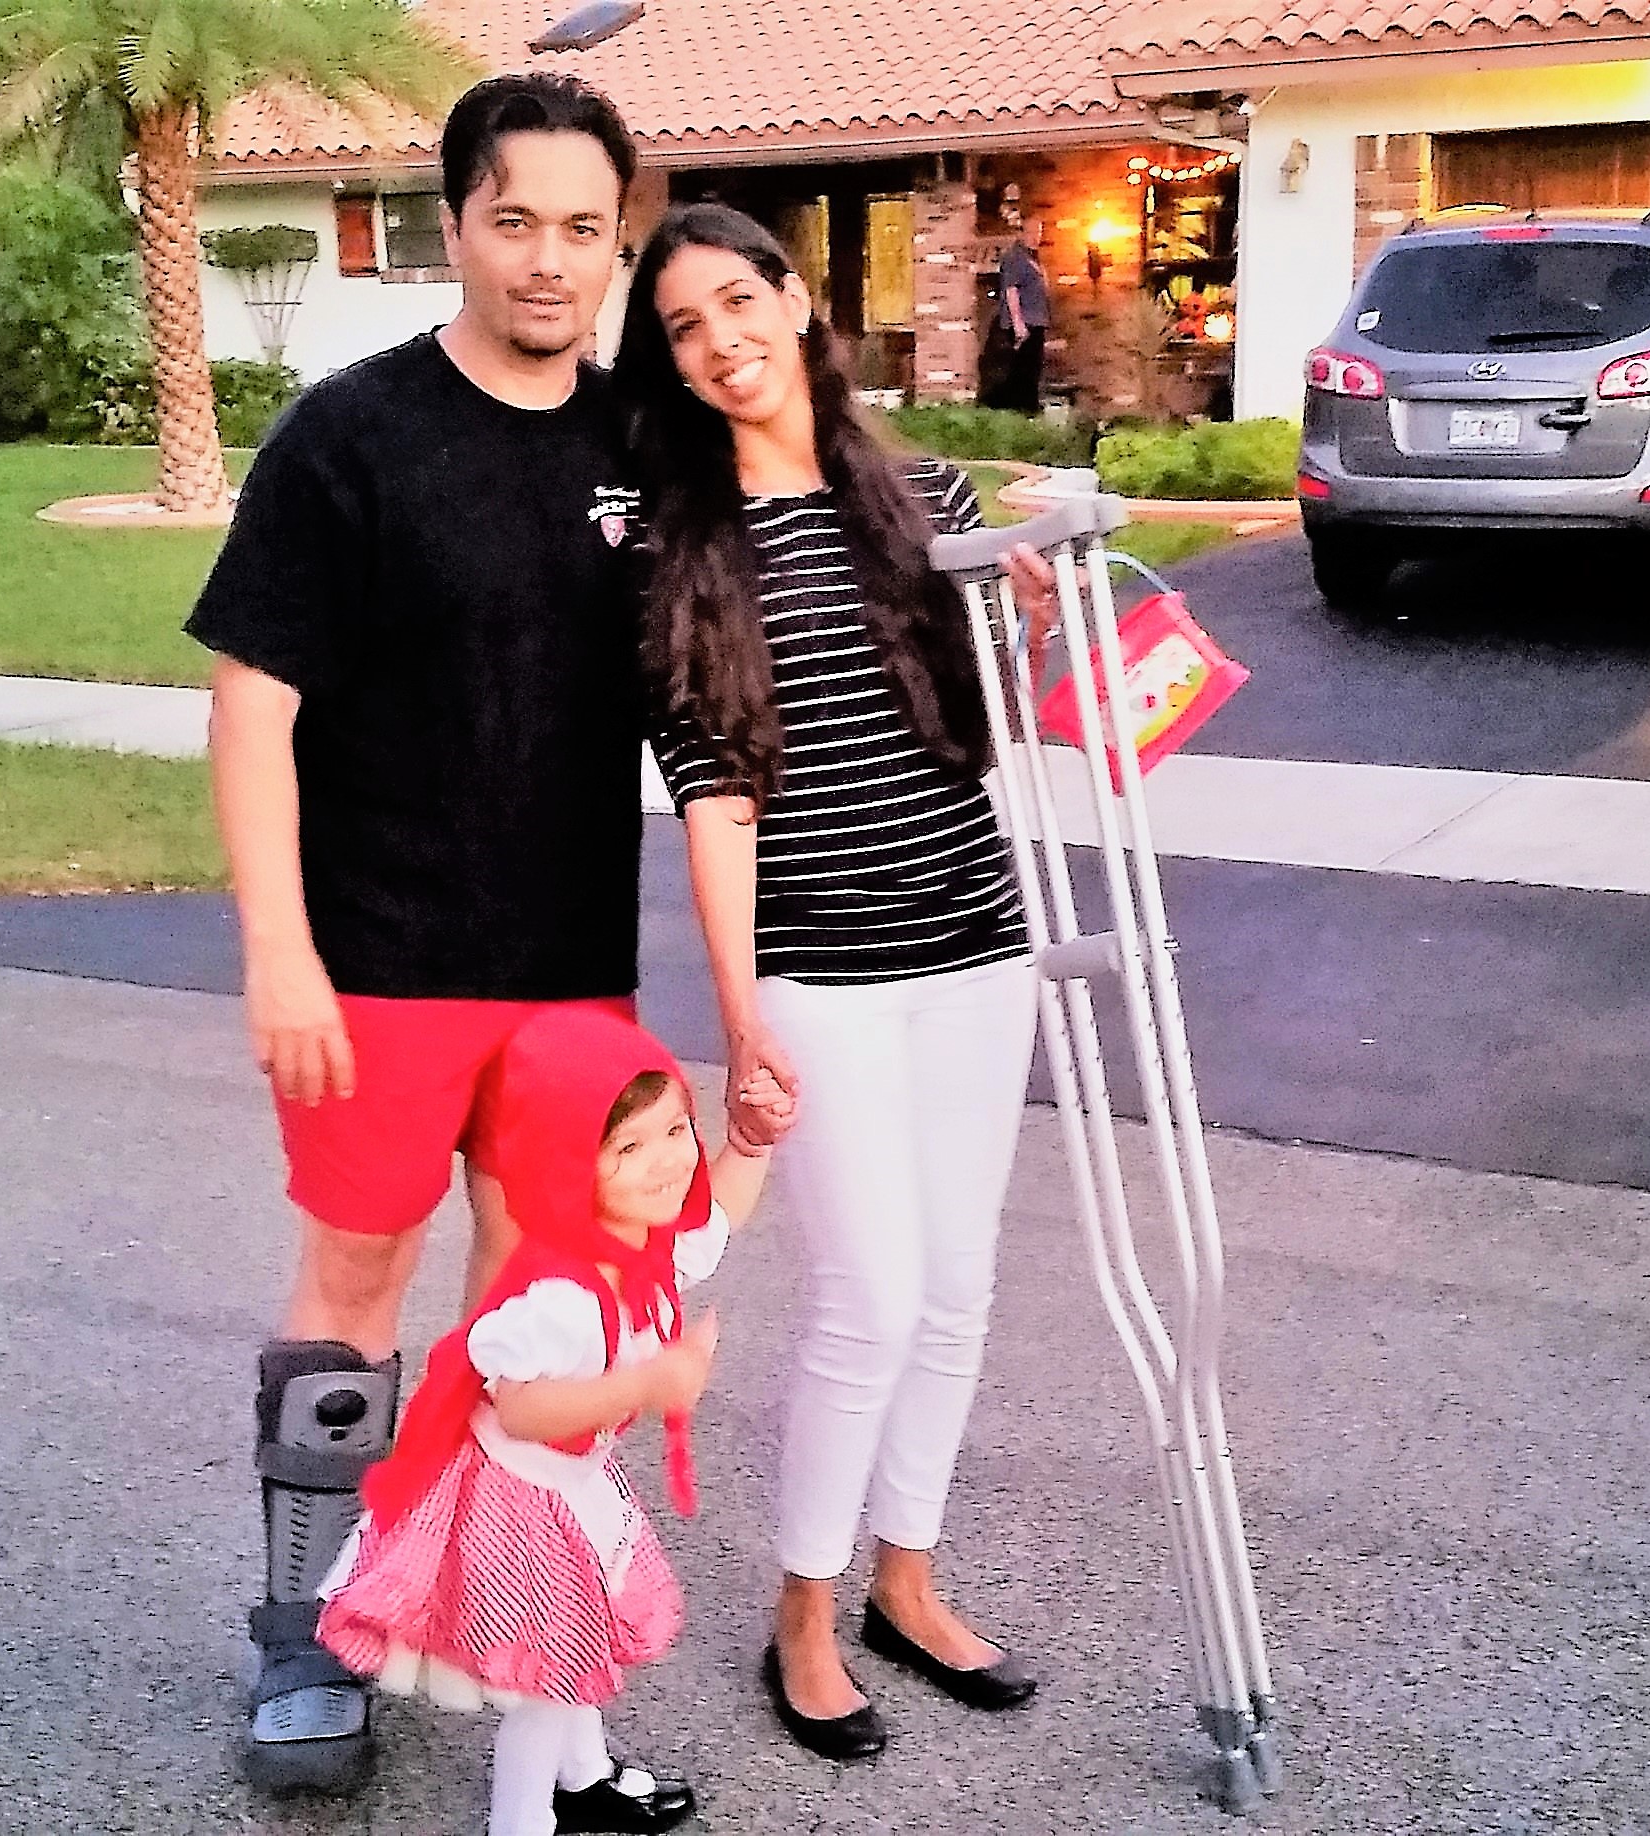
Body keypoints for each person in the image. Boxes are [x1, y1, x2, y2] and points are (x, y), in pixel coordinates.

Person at [181, 72, 648, 1794]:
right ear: (453, 227)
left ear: (617, 246)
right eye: (514, 220)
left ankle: (485, 1599)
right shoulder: (349, 436)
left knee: (537, 1304)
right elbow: (251, 705)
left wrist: (974, 566)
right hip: (376, 962)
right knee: (355, 1288)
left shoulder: (641, 446)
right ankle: (306, 1631)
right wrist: (278, 953)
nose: (548, 259)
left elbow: (799, 540)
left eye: (582, 228)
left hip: (572, 978)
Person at [615, 202, 1054, 1763]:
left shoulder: (927, 499)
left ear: (797, 302)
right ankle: (802, 1614)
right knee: (867, 1299)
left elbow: (979, 731)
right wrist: (742, 1027)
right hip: (820, 969)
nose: (721, 340)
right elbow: (713, 801)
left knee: (957, 1288)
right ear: (671, 363)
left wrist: (1029, 625)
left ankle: (905, 1585)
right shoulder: (677, 551)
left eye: (739, 302)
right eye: (685, 327)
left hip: (977, 940)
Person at [317, 1009, 782, 1836]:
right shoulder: (561, 1297)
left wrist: (749, 1144)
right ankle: (522, 1820)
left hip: (568, 1487)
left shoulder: (641, 1245)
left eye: (676, 1128)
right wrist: (647, 1382)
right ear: (568, 1162)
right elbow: (522, 1408)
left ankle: (585, 1777)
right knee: (546, 1680)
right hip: (519, 1505)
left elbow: (717, 1219)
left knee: (574, 1647)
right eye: (628, 1147)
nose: (669, 1160)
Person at [979, 218, 1049, 414]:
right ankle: (1018, 408)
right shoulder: (1014, 257)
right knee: (1022, 368)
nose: (1036, 237)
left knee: (1032, 368)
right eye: (1032, 232)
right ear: (1022, 233)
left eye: (1039, 232)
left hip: (1035, 321)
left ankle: (1026, 408)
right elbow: (1011, 290)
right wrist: (1018, 324)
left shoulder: (1032, 258)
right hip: (1024, 324)